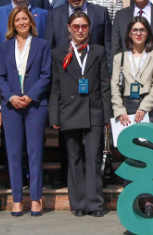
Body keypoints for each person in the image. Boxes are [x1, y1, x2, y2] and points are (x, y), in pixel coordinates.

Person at [49, 12, 109, 218]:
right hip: (69, 111)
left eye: (84, 26)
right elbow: (55, 86)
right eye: (76, 26)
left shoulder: (99, 51)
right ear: (69, 28)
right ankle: (79, 203)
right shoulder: (58, 53)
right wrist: (54, 116)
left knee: (93, 157)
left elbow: (104, 85)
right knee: (74, 158)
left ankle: (95, 203)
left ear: (89, 28)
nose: (80, 30)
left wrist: (107, 115)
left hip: (93, 112)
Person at [0, 7, 52, 216]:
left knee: (34, 152)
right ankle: (18, 199)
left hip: (35, 105)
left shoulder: (42, 45)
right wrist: (11, 97)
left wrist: (30, 95)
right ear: (13, 23)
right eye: (18, 19)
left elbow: (46, 75)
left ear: (31, 22)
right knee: (13, 153)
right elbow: (0, 76)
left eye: (25, 19)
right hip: (11, 106)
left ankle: (36, 198)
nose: (22, 22)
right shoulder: (5, 47)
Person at [110, 18, 153, 129]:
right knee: (127, 145)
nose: (138, 33)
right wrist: (119, 110)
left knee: (148, 144)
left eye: (142, 30)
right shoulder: (119, 58)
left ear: (148, 33)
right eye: (135, 30)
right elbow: (114, 87)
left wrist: (143, 108)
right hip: (125, 109)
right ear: (129, 33)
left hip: (148, 108)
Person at [47, 0, 112, 52]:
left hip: (93, 62)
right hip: (64, 62)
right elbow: (49, 47)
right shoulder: (54, 15)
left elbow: (109, 45)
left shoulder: (101, 12)